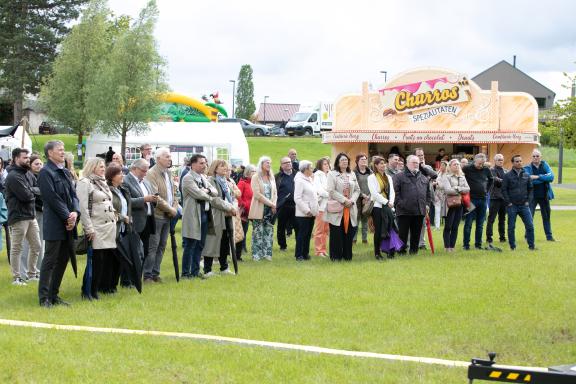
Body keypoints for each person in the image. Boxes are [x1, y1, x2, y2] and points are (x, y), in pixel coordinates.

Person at [37, 140, 80, 307]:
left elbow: (74, 195)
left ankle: (54, 295)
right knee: (50, 260)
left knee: (64, 258)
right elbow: (52, 198)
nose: (63, 152)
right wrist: (67, 217)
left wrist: (75, 213)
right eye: (59, 150)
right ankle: (44, 298)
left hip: (69, 221)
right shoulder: (45, 172)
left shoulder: (65, 172)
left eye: (63, 149)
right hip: (55, 223)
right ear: (50, 153)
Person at [77, 158, 118, 300]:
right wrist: (88, 228)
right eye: (100, 166)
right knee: (95, 259)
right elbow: (83, 207)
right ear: (92, 167)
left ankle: (96, 289)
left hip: (108, 227)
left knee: (103, 260)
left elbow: (108, 201)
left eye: (103, 166)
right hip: (96, 226)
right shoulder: (85, 183)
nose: (103, 169)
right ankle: (88, 290)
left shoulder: (102, 182)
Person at [5, 148, 42, 285]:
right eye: (25, 157)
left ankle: (32, 274)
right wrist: (33, 192)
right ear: (16, 159)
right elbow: (25, 196)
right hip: (18, 216)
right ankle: (17, 277)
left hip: (30, 215)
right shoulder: (13, 176)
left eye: (28, 157)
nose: (28, 159)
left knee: (36, 245)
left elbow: (40, 189)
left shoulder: (28, 173)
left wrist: (31, 191)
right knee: (17, 247)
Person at [144, 147, 178, 283]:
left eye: (170, 157)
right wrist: (171, 209)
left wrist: (174, 208)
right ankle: (147, 275)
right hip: (157, 215)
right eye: (167, 157)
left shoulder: (168, 173)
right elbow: (155, 196)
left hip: (168, 216)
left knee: (162, 245)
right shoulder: (151, 173)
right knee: (153, 245)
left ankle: (155, 273)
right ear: (158, 159)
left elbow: (175, 194)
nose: (170, 159)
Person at [181, 154, 215, 279]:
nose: (204, 165)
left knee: (200, 244)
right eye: (201, 163)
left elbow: (214, 190)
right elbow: (198, 194)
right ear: (193, 164)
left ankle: (195, 271)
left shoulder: (203, 177)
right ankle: (185, 273)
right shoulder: (187, 178)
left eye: (205, 163)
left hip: (204, 215)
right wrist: (208, 193)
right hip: (193, 216)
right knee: (190, 244)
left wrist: (206, 191)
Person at [202, 160, 236, 277]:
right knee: (212, 242)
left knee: (225, 242)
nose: (225, 168)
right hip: (216, 215)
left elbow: (231, 196)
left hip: (227, 214)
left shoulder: (225, 182)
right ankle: (207, 269)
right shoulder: (210, 181)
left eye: (226, 167)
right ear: (215, 168)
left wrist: (231, 206)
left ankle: (224, 267)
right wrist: (229, 207)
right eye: (222, 166)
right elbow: (214, 199)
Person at [325, 153, 361, 261]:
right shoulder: (332, 174)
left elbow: (357, 190)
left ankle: (347, 256)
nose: (345, 162)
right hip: (337, 208)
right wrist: (344, 200)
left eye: (346, 160)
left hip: (350, 208)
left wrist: (352, 200)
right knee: (336, 233)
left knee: (349, 232)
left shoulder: (352, 174)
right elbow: (331, 190)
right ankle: (336, 257)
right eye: (342, 160)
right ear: (337, 162)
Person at [393, 155, 431, 255]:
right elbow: (395, 193)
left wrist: (427, 204)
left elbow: (428, 194)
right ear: (407, 164)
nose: (416, 165)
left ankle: (414, 251)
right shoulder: (399, 177)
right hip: (404, 210)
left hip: (419, 210)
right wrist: (401, 204)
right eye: (413, 163)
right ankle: (401, 251)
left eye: (417, 163)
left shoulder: (423, 178)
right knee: (403, 233)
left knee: (416, 233)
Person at [107, 163, 133, 290]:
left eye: (122, 172)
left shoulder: (122, 189)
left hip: (123, 229)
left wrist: (128, 217)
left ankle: (113, 285)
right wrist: (123, 218)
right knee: (112, 259)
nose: (122, 175)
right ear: (111, 176)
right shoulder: (108, 190)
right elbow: (109, 210)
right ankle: (108, 285)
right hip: (113, 228)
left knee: (119, 260)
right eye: (119, 173)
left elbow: (127, 206)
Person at [502, 155, 536, 251]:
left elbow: (530, 189)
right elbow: (504, 190)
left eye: (520, 161)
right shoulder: (507, 175)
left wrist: (528, 202)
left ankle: (532, 246)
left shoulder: (526, 175)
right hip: (512, 206)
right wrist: (508, 202)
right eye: (517, 161)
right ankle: (512, 247)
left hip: (524, 205)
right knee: (511, 227)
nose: (519, 163)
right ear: (513, 163)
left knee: (530, 225)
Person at [20, 154, 44, 278]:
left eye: (40, 163)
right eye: (36, 164)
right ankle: (23, 272)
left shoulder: (43, 177)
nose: (39, 166)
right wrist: (39, 191)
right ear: (30, 165)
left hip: (42, 213)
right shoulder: (26, 176)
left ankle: (37, 270)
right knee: (26, 244)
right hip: (30, 213)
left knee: (40, 243)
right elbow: (28, 193)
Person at [248, 156, 277, 261]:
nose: (269, 165)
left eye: (270, 163)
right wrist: (271, 204)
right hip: (259, 208)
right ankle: (257, 254)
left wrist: (274, 204)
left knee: (269, 230)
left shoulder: (271, 177)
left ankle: (267, 254)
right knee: (258, 232)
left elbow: (275, 192)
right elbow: (257, 194)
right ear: (261, 164)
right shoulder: (256, 177)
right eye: (267, 163)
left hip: (271, 208)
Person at [462, 153, 493, 250]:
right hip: (471, 200)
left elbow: (491, 180)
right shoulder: (467, 168)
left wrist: (486, 190)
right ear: (474, 161)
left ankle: (478, 245)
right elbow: (460, 177)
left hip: (483, 199)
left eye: (482, 164)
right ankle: (466, 245)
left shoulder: (486, 169)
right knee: (469, 223)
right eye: (479, 163)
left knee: (480, 224)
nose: (480, 166)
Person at [524, 149, 555, 242]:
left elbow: (551, 177)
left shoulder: (545, 165)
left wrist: (537, 177)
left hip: (544, 195)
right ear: (531, 157)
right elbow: (528, 179)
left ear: (540, 157)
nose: (535, 158)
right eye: (534, 156)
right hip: (532, 196)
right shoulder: (527, 168)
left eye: (537, 156)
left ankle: (549, 237)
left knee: (546, 217)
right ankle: (527, 236)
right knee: (530, 217)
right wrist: (544, 178)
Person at [367, 156, 396, 259]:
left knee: (390, 228)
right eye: (381, 163)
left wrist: (391, 202)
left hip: (388, 206)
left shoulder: (389, 177)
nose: (383, 165)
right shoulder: (371, 177)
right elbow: (374, 194)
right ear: (376, 165)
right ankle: (377, 252)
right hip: (377, 207)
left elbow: (392, 191)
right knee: (379, 230)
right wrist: (386, 202)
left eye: (384, 163)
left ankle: (389, 251)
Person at [440, 159, 470, 252]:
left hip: (460, 203)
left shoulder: (462, 176)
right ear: (450, 166)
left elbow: (468, 189)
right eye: (454, 164)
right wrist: (461, 189)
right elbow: (448, 190)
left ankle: (452, 247)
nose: (457, 166)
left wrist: (457, 188)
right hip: (449, 204)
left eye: (458, 164)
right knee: (448, 226)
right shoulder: (446, 177)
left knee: (455, 226)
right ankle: (447, 247)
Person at [294, 160, 318, 261]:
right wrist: (307, 210)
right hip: (303, 213)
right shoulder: (299, 180)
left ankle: (305, 253)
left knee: (308, 234)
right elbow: (297, 198)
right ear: (305, 169)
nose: (312, 169)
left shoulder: (309, 179)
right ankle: (299, 254)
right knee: (302, 234)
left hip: (311, 212)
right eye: (311, 168)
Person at [414, 148, 437, 249]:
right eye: (419, 156)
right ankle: (412, 242)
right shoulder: (412, 168)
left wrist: (423, 166)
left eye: (422, 155)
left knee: (423, 222)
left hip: (427, 198)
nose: (421, 157)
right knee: (414, 222)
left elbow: (434, 175)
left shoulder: (427, 167)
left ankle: (422, 243)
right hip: (414, 198)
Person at [275, 156, 296, 251]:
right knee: (281, 226)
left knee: (298, 225)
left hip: (296, 205)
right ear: (281, 165)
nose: (288, 163)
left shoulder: (297, 174)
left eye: (289, 162)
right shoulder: (278, 177)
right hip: (282, 205)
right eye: (285, 163)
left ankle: (299, 244)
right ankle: (282, 246)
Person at [486, 154, 507, 245]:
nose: (500, 161)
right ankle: (489, 238)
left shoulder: (506, 171)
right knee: (491, 219)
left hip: (504, 198)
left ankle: (502, 237)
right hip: (495, 198)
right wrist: (506, 182)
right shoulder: (492, 170)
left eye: (502, 159)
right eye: (498, 159)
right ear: (495, 161)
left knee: (502, 219)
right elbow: (495, 180)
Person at [313, 157, 330, 257]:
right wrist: (331, 194)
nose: (327, 165)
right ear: (320, 165)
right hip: (321, 206)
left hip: (329, 206)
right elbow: (319, 190)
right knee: (319, 229)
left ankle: (323, 250)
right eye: (324, 164)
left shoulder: (329, 174)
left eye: (327, 164)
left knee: (326, 230)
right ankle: (318, 251)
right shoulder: (317, 175)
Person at [353, 153, 372, 244]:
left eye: (365, 159)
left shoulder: (370, 172)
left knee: (365, 219)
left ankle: (364, 239)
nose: (364, 161)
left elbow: (373, 185)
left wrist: (368, 196)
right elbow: (354, 187)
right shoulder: (353, 172)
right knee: (356, 219)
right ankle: (354, 239)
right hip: (357, 199)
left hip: (368, 198)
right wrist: (362, 195)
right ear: (357, 161)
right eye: (362, 160)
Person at [237, 164, 256, 254]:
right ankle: (240, 249)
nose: (255, 173)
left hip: (251, 211)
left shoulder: (254, 183)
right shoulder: (242, 183)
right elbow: (238, 196)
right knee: (242, 231)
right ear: (247, 173)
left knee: (246, 230)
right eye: (253, 171)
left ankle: (243, 247)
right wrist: (243, 206)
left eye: (256, 171)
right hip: (243, 211)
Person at [433, 161, 447, 230]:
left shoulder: (448, 174)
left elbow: (446, 186)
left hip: (445, 194)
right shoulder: (438, 173)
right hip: (437, 193)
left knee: (445, 211)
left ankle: (446, 225)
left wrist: (437, 183)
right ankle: (437, 226)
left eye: (443, 165)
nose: (441, 167)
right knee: (437, 210)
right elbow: (434, 179)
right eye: (441, 165)